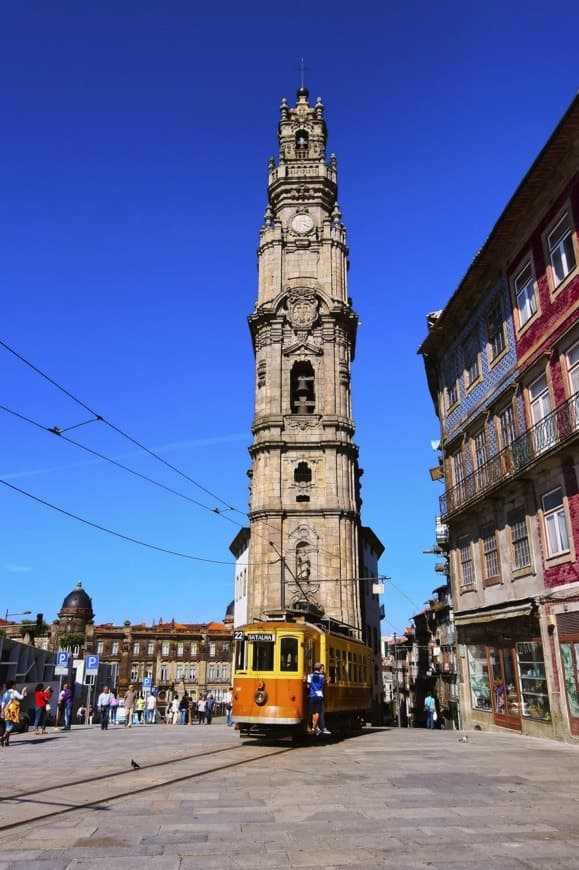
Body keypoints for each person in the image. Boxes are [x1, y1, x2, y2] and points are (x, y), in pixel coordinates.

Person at [1, 681, 28, 747]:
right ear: (12, 685)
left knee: (7, 725)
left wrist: (2, 712)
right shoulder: (14, 692)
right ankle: (3, 738)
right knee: (11, 726)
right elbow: (21, 697)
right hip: (12, 711)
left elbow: (2, 704)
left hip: (6, 711)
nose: (15, 686)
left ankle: (7, 742)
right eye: (14, 685)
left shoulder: (5, 693)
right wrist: (23, 690)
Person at [307, 663, 330, 735]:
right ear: (319, 668)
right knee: (317, 712)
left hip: (312, 695)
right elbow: (323, 685)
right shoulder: (322, 676)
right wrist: (328, 681)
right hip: (319, 696)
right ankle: (315, 728)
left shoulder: (310, 675)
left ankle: (315, 727)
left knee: (313, 713)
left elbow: (308, 685)